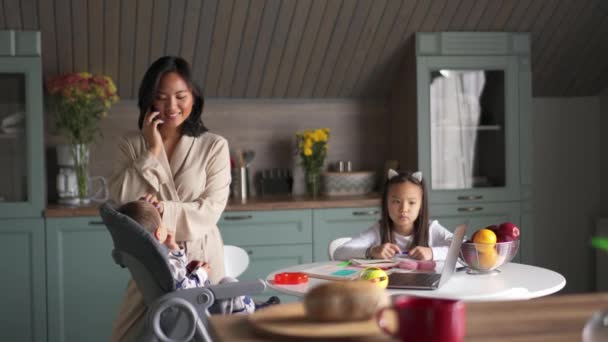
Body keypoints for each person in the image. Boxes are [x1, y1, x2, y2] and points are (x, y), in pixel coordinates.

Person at [109, 56, 231, 342]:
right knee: (127, 335)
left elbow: (210, 210)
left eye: (180, 96)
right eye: (161, 97)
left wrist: (163, 208)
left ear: (194, 97)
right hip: (152, 256)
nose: (172, 106)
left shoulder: (213, 146)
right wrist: (150, 151)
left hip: (201, 256)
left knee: (206, 335)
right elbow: (122, 200)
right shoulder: (132, 144)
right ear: (149, 99)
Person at [118, 200, 255, 314]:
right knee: (229, 283)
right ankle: (250, 312)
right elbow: (184, 289)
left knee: (226, 286)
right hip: (198, 308)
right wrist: (201, 273)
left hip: (181, 307)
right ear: (159, 234)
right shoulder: (164, 263)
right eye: (162, 221)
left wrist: (174, 247)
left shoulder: (149, 258)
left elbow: (176, 276)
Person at [333, 169, 453, 261]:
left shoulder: (431, 229)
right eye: (396, 202)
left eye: (411, 203)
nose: (404, 209)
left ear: (421, 206)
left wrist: (432, 253)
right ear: (386, 203)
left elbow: (463, 248)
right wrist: (371, 251)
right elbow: (339, 252)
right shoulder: (378, 231)